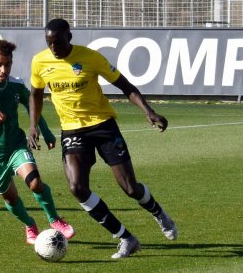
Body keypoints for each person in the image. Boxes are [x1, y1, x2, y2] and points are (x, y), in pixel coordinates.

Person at [27, 19, 177, 259]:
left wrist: (148, 111)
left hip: (103, 126)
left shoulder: (91, 57)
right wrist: (33, 125)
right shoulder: (40, 61)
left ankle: (159, 213)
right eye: (49, 43)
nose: (53, 48)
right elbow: (35, 93)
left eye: (57, 42)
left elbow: (124, 85)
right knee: (77, 188)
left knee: (129, 188)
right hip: (72, 131)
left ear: (69, 37)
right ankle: (126, 238)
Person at [0, 39, 75, 245]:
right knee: (10, 199)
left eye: (7, 64)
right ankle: (30, 224)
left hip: (15, 145)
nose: (3, 69)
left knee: (34, 182)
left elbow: (32, 106)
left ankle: (55, 220)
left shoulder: (16, 85)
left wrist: (46, 131)